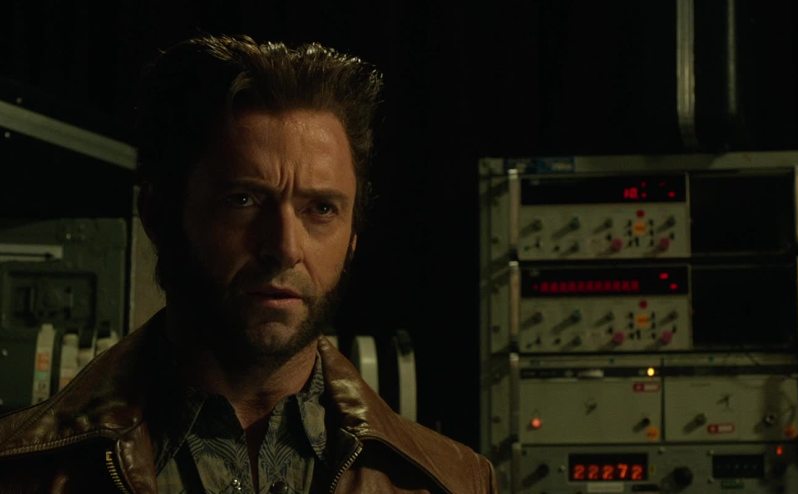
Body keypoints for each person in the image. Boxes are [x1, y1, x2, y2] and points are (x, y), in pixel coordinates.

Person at [0, 34, 496, 493]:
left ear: (353, 238)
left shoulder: (452, 482)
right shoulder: (22, 473)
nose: (284, 246)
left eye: (321, 209)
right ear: (158, 215)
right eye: (243, 200)